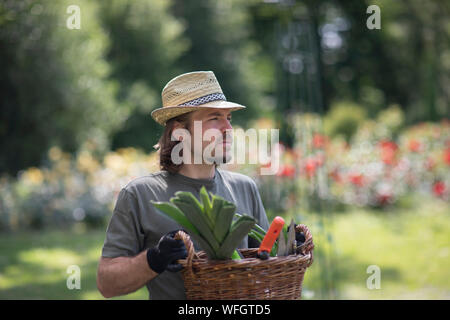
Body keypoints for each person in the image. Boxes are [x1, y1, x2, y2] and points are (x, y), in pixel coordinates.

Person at [96, 71, 270, 299]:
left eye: (229, 118)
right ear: (180, 132)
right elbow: (107, 283)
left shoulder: (244, 187)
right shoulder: (140, 194)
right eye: (214, 118)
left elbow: (269, 266)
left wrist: (289, 248)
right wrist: (153, 259)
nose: (228, 128)